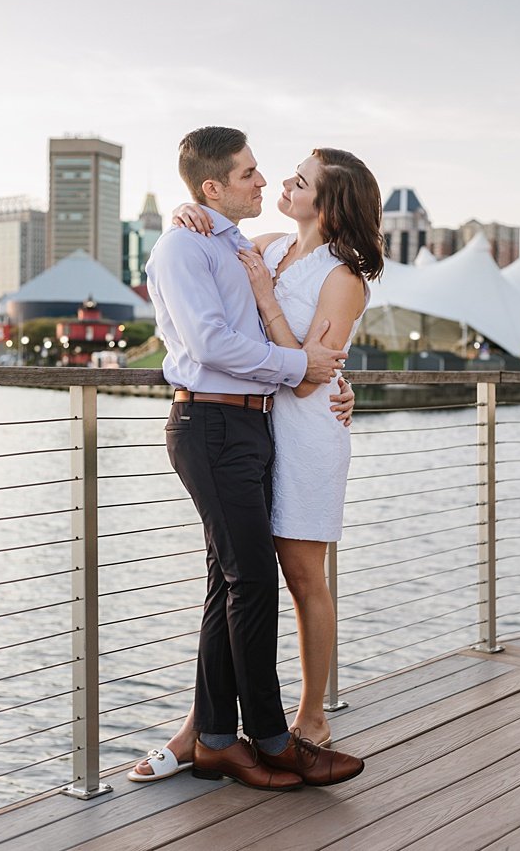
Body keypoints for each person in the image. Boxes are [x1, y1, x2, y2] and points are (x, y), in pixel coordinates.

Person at [139, 127, 365, 790]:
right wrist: (191, 216)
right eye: (257, 174)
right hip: (225, 421)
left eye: (294, 179)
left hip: (274, 426)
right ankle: (254, 737)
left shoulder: (286, 256)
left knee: (260, 577)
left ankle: (267, 726)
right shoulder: (239, 243)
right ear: (215, 187)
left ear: (329, 203)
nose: (272, 184)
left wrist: (335, 382)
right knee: (250, 580)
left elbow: (312, 370)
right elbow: (224, 341)